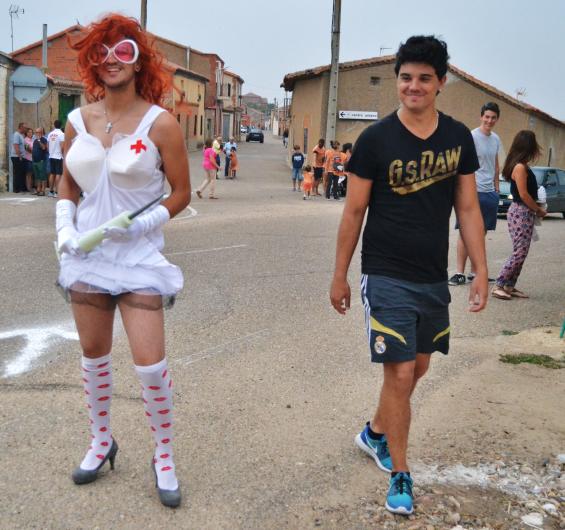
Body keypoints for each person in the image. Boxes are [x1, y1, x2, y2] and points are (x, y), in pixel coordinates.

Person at [330, 35, 487, 516]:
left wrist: (481, 271)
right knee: (399, 372)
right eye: (405, 78)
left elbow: (468, 207)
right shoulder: (375, 140)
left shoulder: (457, 138)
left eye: (423, 78)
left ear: (441, 83)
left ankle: (375, 432)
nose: (413, 86)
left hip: (432, 276)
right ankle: (400, 472)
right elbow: (354, 211)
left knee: (417, 368)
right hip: (385, 272)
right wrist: (340, 275)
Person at [57, 13, 190, 508]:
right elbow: (68, 184)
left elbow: (181, 192)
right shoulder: (77, 121)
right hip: (88, 258)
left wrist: (143, 223)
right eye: (102, 52)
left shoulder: (162, 124)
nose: (112, 59)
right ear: (93, 62)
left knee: (151, 365)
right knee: (93, 358)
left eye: (124, 51)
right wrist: (64, 229)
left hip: (138, 257)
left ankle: (164, 455)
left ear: (139, 62)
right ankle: (101, 441)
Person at [449, 102, 501, 285]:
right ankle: (459, 273)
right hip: (472, 191)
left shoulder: (496, 139)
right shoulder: (471, 136)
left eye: (493, 117)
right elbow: (461, 165)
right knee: (465, 233)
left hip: (489, 193)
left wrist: (496, 189)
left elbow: (495, 165)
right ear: (481, 116)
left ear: (497, 119)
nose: (489, 120)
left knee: (480, 234)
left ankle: (474, 273)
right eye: (487, 116)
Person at [491, 131, 546, 300]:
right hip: (520, 212)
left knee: (522, 251)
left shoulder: (522, 165)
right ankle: (498, 285)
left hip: (524, 212)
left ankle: (509, 285)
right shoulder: (520, 167)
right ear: (528, 147)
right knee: (520, 251)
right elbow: (523, 194)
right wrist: (538, 209)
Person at [48, 119, 65, 197]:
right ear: (61, 126)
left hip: (51, 156)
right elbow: (62, 146)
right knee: (58, 174)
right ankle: (57, 192)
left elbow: (48, 145)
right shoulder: (62, 134)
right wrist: (62, 155)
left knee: (52, 173)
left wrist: (50, 152)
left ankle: (50, 191)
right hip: (58, 156)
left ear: (54, 125)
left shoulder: (50, 134)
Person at [10, 122, 27, 193]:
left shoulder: (21, 135)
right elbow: (16, 146)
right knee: (17, 172)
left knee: (21, 172)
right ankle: (16, 189)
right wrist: (19, 156)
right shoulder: (16, 135)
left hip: (20, 156)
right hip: (16, 157)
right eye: (25, 128)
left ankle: (21, 187)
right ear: (21, 127)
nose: (26, 129)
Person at [32, 127, 48, 196]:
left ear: (41, 133)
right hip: (35, 161)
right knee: (37, 176)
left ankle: (43, 190)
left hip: (41, 160)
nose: (36, 134)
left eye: (37, 132)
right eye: (36, 132)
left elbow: (44, 148)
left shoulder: (44, 139)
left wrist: (39, 140)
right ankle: (38, 189)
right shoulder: (35, 140)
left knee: (43, 176)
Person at [24, 128, 34, 192]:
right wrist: (35, 151)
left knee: (31, 174)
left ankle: (30, 186)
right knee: (28, 174)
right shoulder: (25, 140)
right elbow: (27, 149)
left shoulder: (32, 140)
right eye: (29, 132)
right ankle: (28, 188)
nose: (30, 133)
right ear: (26, 133)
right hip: (28, 159)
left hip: (32, 159)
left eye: (31, 132)